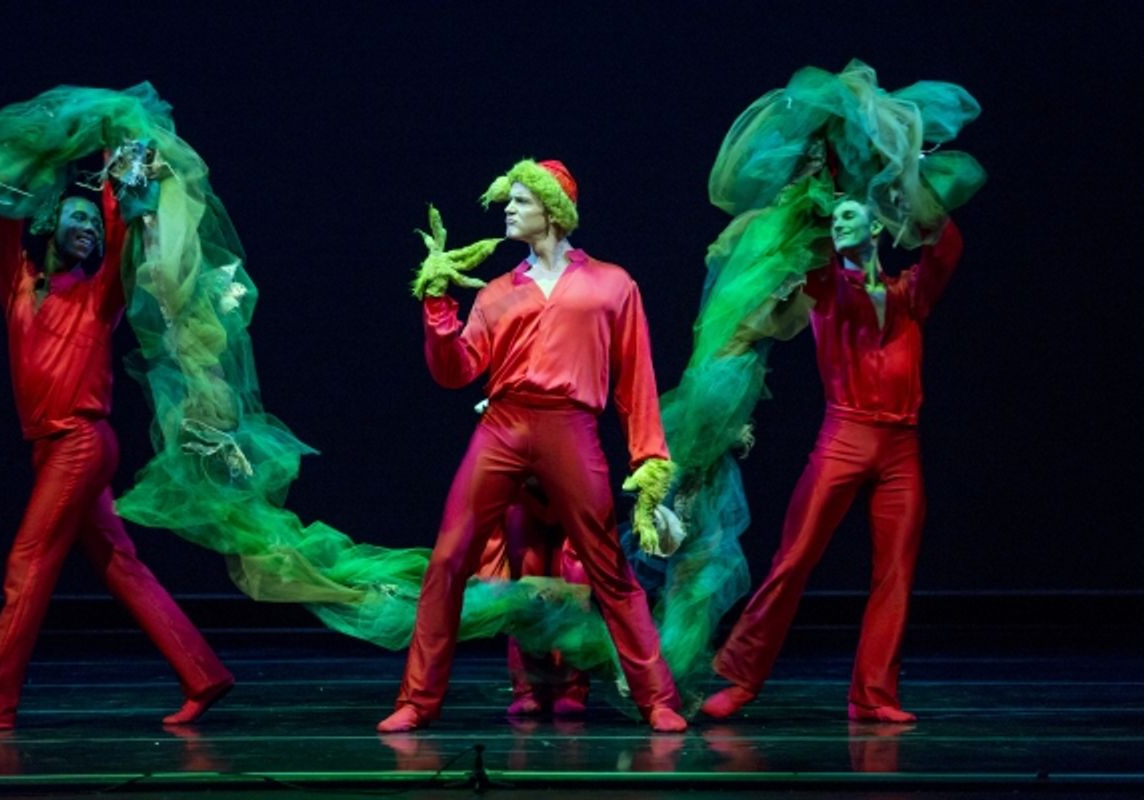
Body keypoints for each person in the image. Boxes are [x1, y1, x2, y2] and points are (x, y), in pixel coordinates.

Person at [378, 159, 685, 732]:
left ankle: (656, 698)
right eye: (509, 202)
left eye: (520, 201)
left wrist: (648, 461)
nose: (508, 211)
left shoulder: (612, 284)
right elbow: (456, 370)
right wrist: (438, 303)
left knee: (606, 566)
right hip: (503, 425)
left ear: (553, 210)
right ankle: (417, 700)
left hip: (570, 427)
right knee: (448, 559)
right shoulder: (497, 292)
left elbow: (635, 381)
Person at [0, 180, 233, 732]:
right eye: (78, 218)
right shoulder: (19, 287)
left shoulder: (99, 295)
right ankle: (202, 672)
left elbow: (122, 233)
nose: (90, 229)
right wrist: (6, 171)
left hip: (79, 442)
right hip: (50, 449)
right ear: (50, 225)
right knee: (120, 565)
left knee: (27, 565)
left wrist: (113, 182)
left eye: (95, 225)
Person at [701, 198, 964, 723]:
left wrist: (914, 194)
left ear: (877, 226)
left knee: (895, 571)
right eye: (835, 216)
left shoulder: (907, 293)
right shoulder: (823, 285)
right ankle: (741, 679)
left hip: (901, 445)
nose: (840, 221)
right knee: (793, 558)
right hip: (844, 434)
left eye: (851, 214)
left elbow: (946, 249)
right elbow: (799, 255)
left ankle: (874, 694)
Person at [475, 480, 590, 718]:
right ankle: (528, 689)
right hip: (522, 491)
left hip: (569, 488)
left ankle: (570, 687)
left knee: (572, 581)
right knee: (525, 586)